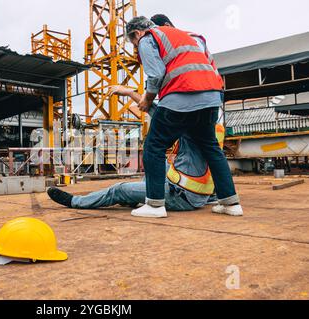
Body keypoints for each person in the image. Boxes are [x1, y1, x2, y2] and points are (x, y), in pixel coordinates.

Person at [123, 15, 243, 218]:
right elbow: (211, 66)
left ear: (136, 33)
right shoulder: (191, 36)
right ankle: (230, 203)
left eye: (133, 42)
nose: (136, 47)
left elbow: (155, 75)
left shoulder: (147, 38)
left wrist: (147, 100)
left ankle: (154, 205)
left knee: (153, 146)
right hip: (211, 97)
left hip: (182, 95)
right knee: (211, 148)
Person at [47, 85, 224, 212]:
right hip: (199, 192)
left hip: (182, 195)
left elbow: (155, 111)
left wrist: (129, 93)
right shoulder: (213, 127)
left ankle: (77, 201)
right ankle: (136, 198)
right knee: (153, 163)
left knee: (119, 189)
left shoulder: (192, 125)